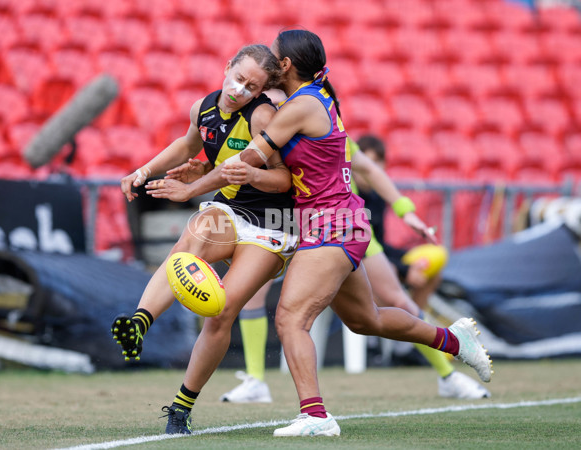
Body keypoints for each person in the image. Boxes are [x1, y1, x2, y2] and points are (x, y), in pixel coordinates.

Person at [152, 29, 493, 437]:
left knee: (290, 318)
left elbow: (244, 162)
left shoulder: (301, 105)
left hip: (332, 224)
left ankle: (315, 416)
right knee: (367, 320)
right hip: (334, 223)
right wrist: (206, 166)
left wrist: (191, 187)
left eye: (272, 57)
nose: (265, 59)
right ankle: (455, 341)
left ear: (286, 66)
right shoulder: (308, 98)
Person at [110, 44, 298, 434]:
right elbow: (187, 144)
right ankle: (140, 323)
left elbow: (284, 179)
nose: (240, 90)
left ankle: (180, 408)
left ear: (262, 91)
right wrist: (142, 171)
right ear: (227, 67)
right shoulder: (204, 107)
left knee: (221, 312)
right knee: (188, 241)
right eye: (238, 78)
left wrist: (249, 176)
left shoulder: (264, 115)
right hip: (229, 212)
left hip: (269, 225)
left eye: (251, 86)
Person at [219, 137, 490, 404]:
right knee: (260, 298)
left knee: (393, 300)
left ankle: (448, 375)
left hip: (340, 225)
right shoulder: (264, 126)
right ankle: (257, 381)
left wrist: (404, 209)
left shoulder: (320, 128)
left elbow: (370, 169)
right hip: (288, 225)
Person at [355, 134, 443, 310]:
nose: (372, 168)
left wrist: (408, 265)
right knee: (392, 273)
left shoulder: (378, 197)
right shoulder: (350, 196)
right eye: (368, 161)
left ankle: (413, 327)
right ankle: (381, 329)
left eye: (378, 162)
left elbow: (378, 242)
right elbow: (363, 247)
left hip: (375, 252)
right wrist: (402, 269)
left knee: (432, 270)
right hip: (356, 260)